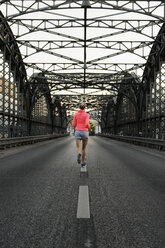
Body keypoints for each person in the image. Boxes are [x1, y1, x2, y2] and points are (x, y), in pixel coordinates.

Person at [72, 103, 90, 167]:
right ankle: (82, 163)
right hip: (85, 132)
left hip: (78, 131)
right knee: (84, 148)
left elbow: (73, 124)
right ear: (84, 107)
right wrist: (88, 126)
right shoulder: (87, 115)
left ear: (79, 107)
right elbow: (86, 123)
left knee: (78, 147)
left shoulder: (76, 114)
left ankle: (79, 153)